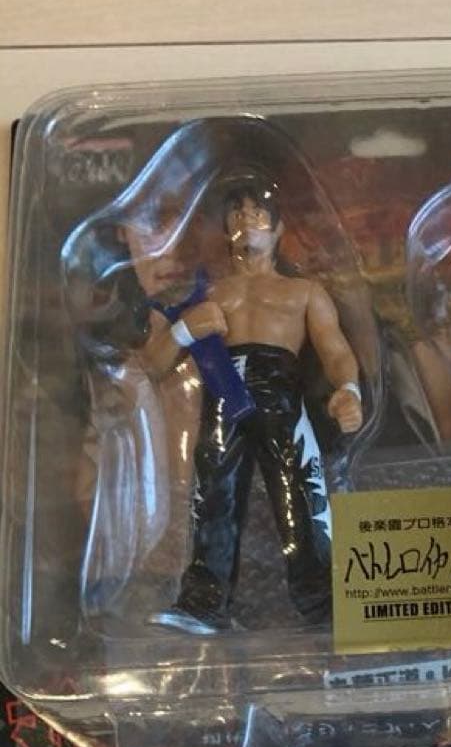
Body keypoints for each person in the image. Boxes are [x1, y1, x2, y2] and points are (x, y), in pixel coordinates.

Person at [142, 182, 363, 633]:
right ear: (226, 229)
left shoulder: (303, 291)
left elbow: (335, 349)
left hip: (281, 398)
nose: (246, 218)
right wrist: (185, 328)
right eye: (237, 212)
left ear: (279, 229)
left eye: (257, 212)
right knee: (213, 497)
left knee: (302, 493)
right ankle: (204, 603)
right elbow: (153, 363)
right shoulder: (205, 295)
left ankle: (325, 603)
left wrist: (349, 390)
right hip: (224, 398)